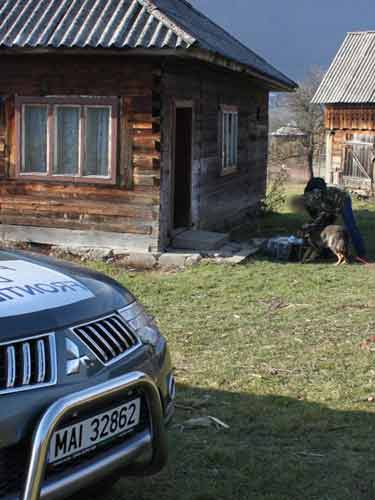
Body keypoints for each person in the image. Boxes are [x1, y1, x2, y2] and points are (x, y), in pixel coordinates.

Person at [301, 178, 367, 263]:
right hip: (331, 206)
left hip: (343, 200)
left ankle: (361, 255)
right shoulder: (310, 201)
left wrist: (314, 224)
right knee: (325, 228)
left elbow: (324, 214)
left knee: (351, 226)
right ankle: (327, 251)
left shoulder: (321, 196)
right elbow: (318, 216)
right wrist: (314, 224)